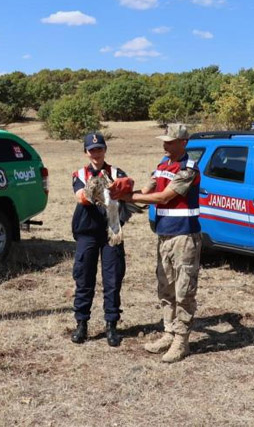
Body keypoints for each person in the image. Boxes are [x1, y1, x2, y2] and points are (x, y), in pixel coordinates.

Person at [121, 123, 201, 363]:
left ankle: (181, 341)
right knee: (165, 287)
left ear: (183, 143)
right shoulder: (162, 166)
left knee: (184, 290)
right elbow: (148, 191)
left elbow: (164, 197)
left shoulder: (189, 169)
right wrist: (121, 195)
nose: (165, 145)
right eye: (164, 141)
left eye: (170, 141)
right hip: (164, 235)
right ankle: (169, 332)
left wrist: (128, 196)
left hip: (184, 236)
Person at [69, 132, 134, 347]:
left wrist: (122, 187)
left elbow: (127, 188)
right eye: (92, 150)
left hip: (111, 232)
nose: (96, 153)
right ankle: (82, 324)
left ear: (105, 149)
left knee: (113, 278)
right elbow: (81, 198)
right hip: (87, 232)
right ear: (86, 152)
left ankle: (111, 325)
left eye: (100, 149)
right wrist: (96, 190)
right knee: (84, 277)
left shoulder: (116, 172)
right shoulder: (79, 174)